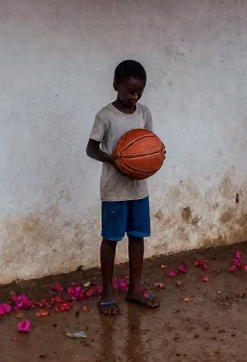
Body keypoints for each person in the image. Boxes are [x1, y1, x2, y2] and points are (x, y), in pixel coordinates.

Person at [86, 59, 161, 315]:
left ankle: (134, 289)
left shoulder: (144, 113)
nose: (135, 96)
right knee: (111, 239)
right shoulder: (105, 116)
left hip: (139, 189)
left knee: (138, 236)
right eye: (130, 90)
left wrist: (155, 157)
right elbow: (91, 149)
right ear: (116, 85)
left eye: (140, 90)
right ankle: (107, 291)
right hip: (114, 191)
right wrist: (113, 159)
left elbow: (148, 145)